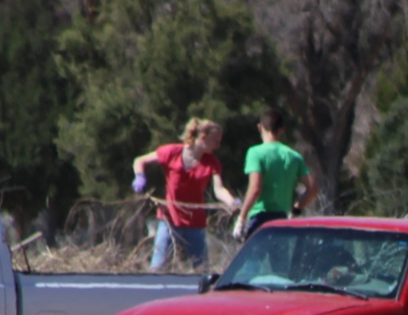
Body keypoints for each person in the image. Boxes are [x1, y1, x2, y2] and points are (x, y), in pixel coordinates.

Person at [130, 118, 240, 271]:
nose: (218, 145)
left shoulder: (212, 162)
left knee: (201, 270)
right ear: (203, 137)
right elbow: (140, 161)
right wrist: (140, 177)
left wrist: (231, 201)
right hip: (169, 220)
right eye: (215, 141)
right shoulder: (171, 152)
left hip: (195, 223)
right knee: (158, 268)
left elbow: (219, 189)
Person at [235, 109, 316, 240]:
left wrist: (241, 218)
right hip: (282, 219)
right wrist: (296, 208)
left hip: (260, 217)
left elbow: (255, 189)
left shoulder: (255, 153)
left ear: (260, 127)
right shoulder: (294, 156)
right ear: (282, 130)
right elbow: (312, 189)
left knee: (252, 259)